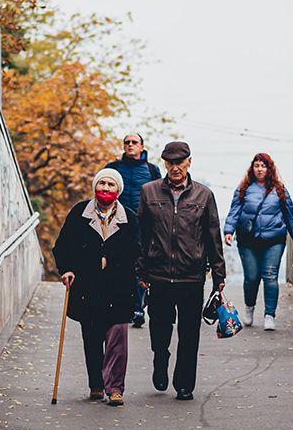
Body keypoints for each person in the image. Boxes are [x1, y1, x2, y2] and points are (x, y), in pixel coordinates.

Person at [138, 141, 227, 401]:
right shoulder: (149, 192)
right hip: (158, 275)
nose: (175, 167)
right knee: (159, 330)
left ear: (189, 162)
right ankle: (160, 358)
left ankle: (185, 384)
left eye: (180, 162)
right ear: (165, 164)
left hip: (191, 275)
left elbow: (213, 236)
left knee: (189, 334)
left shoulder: (204, 195)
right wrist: (141, 270)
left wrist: (218, 276)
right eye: (170, 163)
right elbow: (142, 235)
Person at [52, 167, 142, 406]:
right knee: (91, 337)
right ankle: (96, 384)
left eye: (110, 185)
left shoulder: (130, 218)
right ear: (95, 187)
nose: (105, 188)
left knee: (117, 339)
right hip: (87, 286)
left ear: (118, 190)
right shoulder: (80, 213)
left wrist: (117, 263)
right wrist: (67, 269)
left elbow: (137, 250)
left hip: (118, 286)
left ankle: (115, 388)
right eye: (102, 183)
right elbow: (63, 246)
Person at [223, 151, 293, 331]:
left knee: (270, 275)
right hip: (248, 240)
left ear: (269, 169)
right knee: (251, 277)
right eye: (257, 166)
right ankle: (249, 307)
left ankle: (269, 315)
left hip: (274, 239)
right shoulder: (243, 189)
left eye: (263, 166)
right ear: (252, 168)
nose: (260, 169)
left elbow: (290, 216)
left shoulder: (280, 190)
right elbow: (234, 212)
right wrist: (228, 231)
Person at [106, 133, 165, 327]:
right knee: (121, 264)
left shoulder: (151, 170)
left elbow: (161, 196)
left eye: (134, 142)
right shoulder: (113, 168)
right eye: (127, 142)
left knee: (140, 263)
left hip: (144, 224)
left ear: (142, 146)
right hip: (118, 223)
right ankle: (125, 305)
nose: (130, 145)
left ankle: (138, 307)